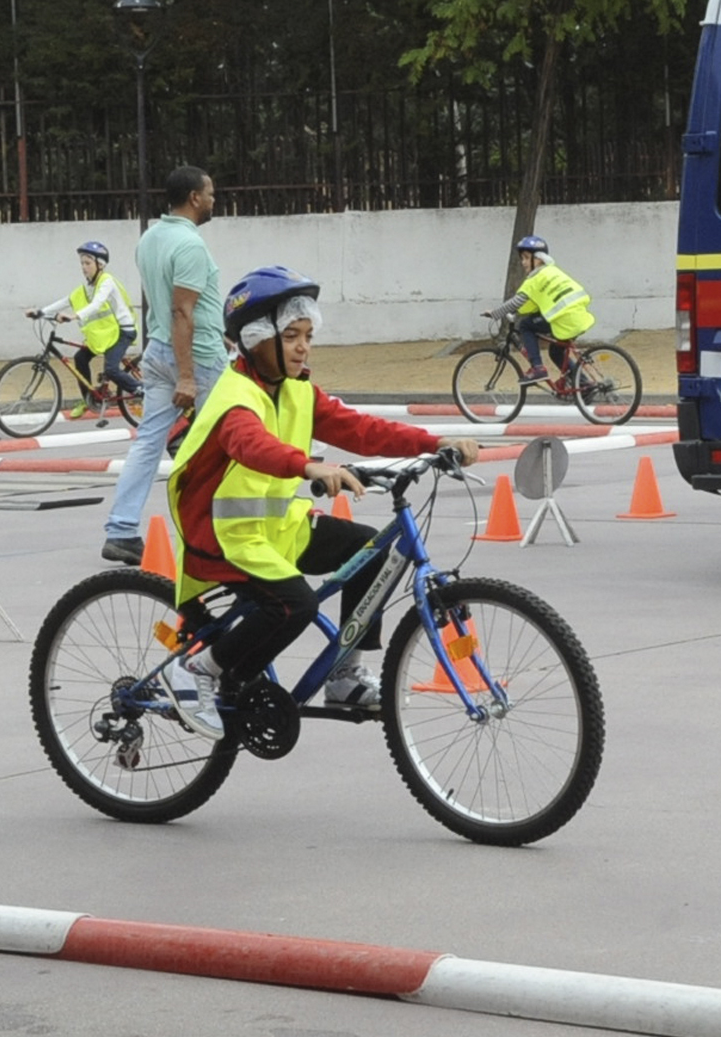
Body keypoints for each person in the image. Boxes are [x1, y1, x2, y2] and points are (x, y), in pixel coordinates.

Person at [163, 267, 481, 739]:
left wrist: (434, 441)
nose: (302, 346)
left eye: (308, 335)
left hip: (277, 528)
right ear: (255, 339)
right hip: (223, 536)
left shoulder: (297, 391)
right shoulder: (235, 396)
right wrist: (307, 466)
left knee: (371, 553)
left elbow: (360, 428)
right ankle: (197, 670)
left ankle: (343, 677)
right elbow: (252, 444)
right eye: (290, 335)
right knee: (295, 606)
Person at [102, 166, 228, 565]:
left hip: (158, 351)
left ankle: (121, 529)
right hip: (198, 359)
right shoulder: (190, 246)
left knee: (148, 443)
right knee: (230, 440)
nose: (213, 199)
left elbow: (171, 305)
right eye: (209, 193)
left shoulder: (150, 239)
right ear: (193, 197)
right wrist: (188, 376)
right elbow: (181, 310)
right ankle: (217, 533)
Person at [29, 240, 138, 420]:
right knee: (80, 358)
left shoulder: (106, 281)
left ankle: (141, 390)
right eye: (82, 263)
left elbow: (97, 305)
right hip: (106, 333)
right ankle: (88, 399)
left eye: (88, 263)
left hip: (122, 331)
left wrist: (74, 316)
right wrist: (41, 312)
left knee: (111, 369)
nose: (84, 267)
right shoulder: (87, 287)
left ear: (100, 264)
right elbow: (66, 301)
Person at [485, 235, 595, 387]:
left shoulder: (535, 279)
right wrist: (517, 312)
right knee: (556, 352)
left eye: (526, 258)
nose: (523, 263)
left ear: (538, 259)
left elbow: (518, 300)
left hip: (563, 320)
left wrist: (496, 313)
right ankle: (583, 384)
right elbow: (535, 303)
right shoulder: (553, 272)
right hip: (578, 317)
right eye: (522, 258)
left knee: (525, 326)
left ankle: (537, 368)